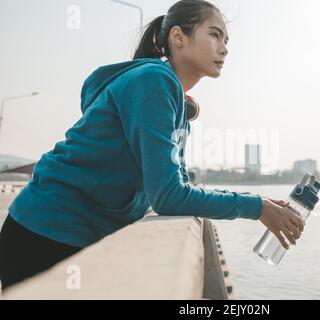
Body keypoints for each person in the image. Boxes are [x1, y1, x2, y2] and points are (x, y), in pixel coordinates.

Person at [0, 0, 304, 292]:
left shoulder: (173, 102)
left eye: (226, 40)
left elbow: (179, 187)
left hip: (68, 237)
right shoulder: (153, 81)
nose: (224, 48)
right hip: (44, 233)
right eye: (214, 35)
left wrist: (262, 201)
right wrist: (257, 207)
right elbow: (168, 197)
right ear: (178, 37)